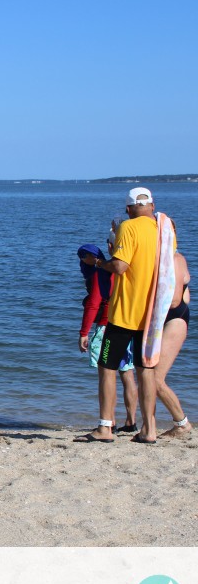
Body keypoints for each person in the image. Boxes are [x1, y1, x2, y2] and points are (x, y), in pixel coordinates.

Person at [77, 187, 174, 444]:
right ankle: (149, 429)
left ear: (128, 209)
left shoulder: (128, 227)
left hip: (125, 313)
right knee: (145, 370)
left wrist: (98, 263)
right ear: (152, 205)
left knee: (107, 367)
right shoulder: (165, 230)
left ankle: (105, 427)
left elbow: (120, 266)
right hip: (152, 313)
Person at [76, 243, 137, 432]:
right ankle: (131, 422)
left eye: (83, 256)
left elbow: (93, 304)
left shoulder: (98, 274)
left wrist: (83, 333)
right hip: (127, 324)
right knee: (127, 373)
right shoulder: (119, 269)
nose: (81, 260)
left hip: (106, 326)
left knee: (106, 375)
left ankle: (109, 422)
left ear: (91, 257)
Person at [157, 242, 191, 439]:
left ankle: (182, 423)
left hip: (174, 318)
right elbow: (187, 296)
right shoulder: (167, 257)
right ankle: (145, 424)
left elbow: (176, 300)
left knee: (155, 379)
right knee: (147, 376)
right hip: (166, 319)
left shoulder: (175, 258)